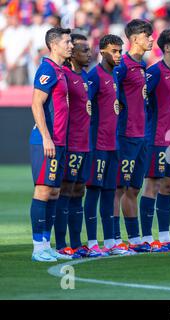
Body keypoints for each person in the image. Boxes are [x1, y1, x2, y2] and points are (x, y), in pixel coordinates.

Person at [139, 29, 170, 251]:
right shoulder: (154, 72)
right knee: (152, 185)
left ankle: (166, 236)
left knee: (169, 185)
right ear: (166, 48)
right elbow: (140, 99)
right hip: (156, 138)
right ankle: (147, 237)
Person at [83, 34, 131, 256]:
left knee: (111, 192)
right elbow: (86, 110)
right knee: (94, 192)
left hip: (113, 144)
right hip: (98, 145)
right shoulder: (94, 77)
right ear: (102, 51)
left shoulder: (113, 76)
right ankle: (93, 242)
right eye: (114, 51)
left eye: (120, 51)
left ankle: (110, 241)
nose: (118, 55)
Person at [29, 27, 73, 262]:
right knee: (43, 190)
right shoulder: (47, 68)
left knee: (54, 192)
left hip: (60, 141)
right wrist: (47, 137)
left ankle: (46, 244)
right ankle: (38, 247)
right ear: (53, 45)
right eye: (67, 41)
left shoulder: (61, 70)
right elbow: (36, 104)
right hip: (47, 141)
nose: (71, 45)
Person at [113, 19, 155, 252]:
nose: (151, 39)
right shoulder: (121, 66)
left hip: (142, 136)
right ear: (135, 39)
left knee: (134, 189)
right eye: (147, 36)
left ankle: (135, 238)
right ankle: (114, 238)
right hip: (125, 136)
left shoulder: (142, 66)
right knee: (119, 188)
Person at [53, 33, 93, 257]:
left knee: (79, 191)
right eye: (83, 50)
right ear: (72, 54)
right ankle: (61, 244)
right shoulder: (65, 76)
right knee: (66, 190)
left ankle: (77, 244)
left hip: (86, 143)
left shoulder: (86, 77)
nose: (88, 53)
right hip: (71, 143)